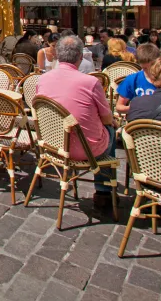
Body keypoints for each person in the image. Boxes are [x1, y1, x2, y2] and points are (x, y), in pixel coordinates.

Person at [36, 35, 116, 208]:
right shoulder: (91, 82)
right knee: (111, 131)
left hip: (52, 144)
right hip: (85, 150)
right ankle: (103, 191)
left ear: (57, 55)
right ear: (81, 56)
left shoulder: (42, 79)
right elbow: (107, 118)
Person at [115, 43, 160, 115]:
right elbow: (119, 107)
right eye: (145, 68)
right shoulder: (132, 79)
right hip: (140, 119)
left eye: (152, 67)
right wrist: (136, 108)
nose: (149, 71)